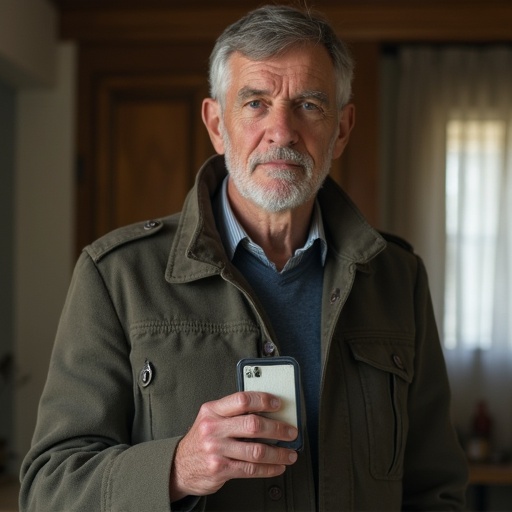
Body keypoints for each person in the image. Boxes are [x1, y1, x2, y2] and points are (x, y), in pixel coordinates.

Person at [20, 4, 468, 511]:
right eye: (255, 103)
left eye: (309, 105)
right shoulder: (116, 277)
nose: (281, 131)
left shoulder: (398, 279)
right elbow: (48, 489)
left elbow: (437, 489)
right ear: (217, 123)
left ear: (341, 129)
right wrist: (178, 467)